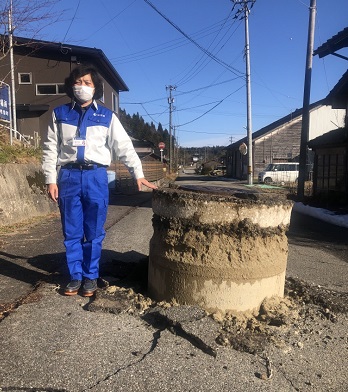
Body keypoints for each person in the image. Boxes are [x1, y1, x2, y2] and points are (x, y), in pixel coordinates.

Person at [42, 64, 157, 297]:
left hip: (96, 176)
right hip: (69, 176)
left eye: (87, 83)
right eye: (78, 82)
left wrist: (138, 174)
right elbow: (49, 149)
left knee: (94, 231)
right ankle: (75, 276)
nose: (82, 87)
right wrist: (50, 179)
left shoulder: (106, 116)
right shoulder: (60, 114)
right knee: (72, 230)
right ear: (70, 85)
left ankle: (90, 276)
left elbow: (124, 147)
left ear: (95, 88)